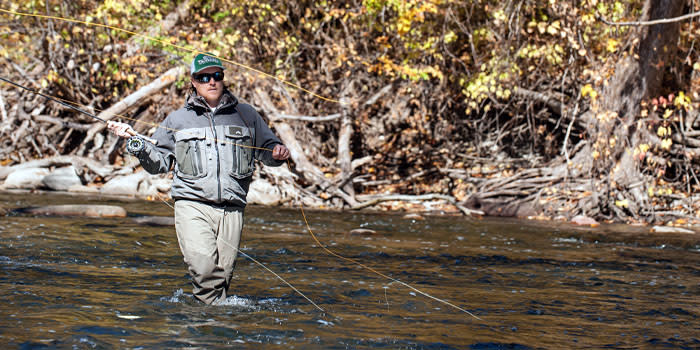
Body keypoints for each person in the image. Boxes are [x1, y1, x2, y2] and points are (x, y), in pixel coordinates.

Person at [107, 53, 290, 305]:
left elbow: (268, 150)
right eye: (203, 77)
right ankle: (209, 329)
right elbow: (159, 163)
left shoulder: (246, 115)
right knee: (205, 272)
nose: (211, 82)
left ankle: (207, 328)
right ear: (193, 81)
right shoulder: (177, 119)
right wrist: (135, 143)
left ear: (223, 79)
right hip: (191, 205)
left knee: (221, 281)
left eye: (217, 76)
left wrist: (277, 152)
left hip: (232, 210)